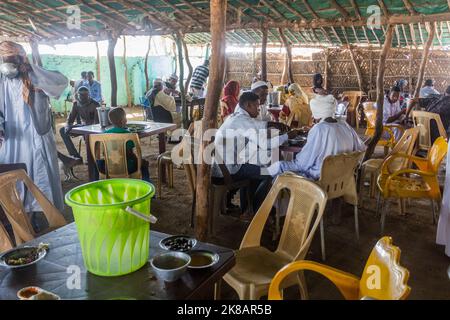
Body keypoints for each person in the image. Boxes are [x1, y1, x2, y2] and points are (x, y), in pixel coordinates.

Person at [0, 41, 68, 213]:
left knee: (41, 178)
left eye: (11, 59)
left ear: (21, 58)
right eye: (4, 59)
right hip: (12, 140)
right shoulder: (2, 81)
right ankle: (22, 217)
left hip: (37, 135)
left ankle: (46, 216)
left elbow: (61, 82)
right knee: (15, 181)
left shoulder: (35, 76)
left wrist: (32, 70)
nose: (7, 63)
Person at [213, 92, 298, 216]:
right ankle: (258, 212)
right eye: (257, 106)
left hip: (222, 166)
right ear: (248, 105)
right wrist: (287, 136)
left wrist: (274, 128)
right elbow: (265, 144)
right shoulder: (242, 120)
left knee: (255, 167)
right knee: (268, 172)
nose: (259, 109)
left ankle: (247, 207)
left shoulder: (235, 116)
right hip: (227, 170)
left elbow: (257, 130)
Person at [267, 93, 366, 179]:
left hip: (319, 179)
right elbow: (361, 148)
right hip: (341, 179)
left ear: (317, 113)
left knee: (277, 167)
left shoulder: (319, 129)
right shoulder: (345, 126)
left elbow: (301, 165)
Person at [99, 107, 151, 182]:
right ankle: (147, 184)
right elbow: (130, 154)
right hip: (127, 168)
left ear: (110, 121)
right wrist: (138, 161)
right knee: (144, 164)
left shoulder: (105, 134)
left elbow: (104, 153)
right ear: (123, 121)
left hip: (109, 167)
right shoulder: (128, 135)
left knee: (99, 162)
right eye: (125, 117)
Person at [60, 86, 100, 160]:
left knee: (88, 134)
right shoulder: (76, 104)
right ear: (78, 95)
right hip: (82, 127)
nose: (83, 97)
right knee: (63, 130)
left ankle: (92, 157)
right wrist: (68, 126)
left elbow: (98, 124)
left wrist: (89, 129)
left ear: (89, 95)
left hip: (93, 129)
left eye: (85, 95)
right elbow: (70, 119)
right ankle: (75, 156)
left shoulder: (95, 105)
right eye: (81, 95)